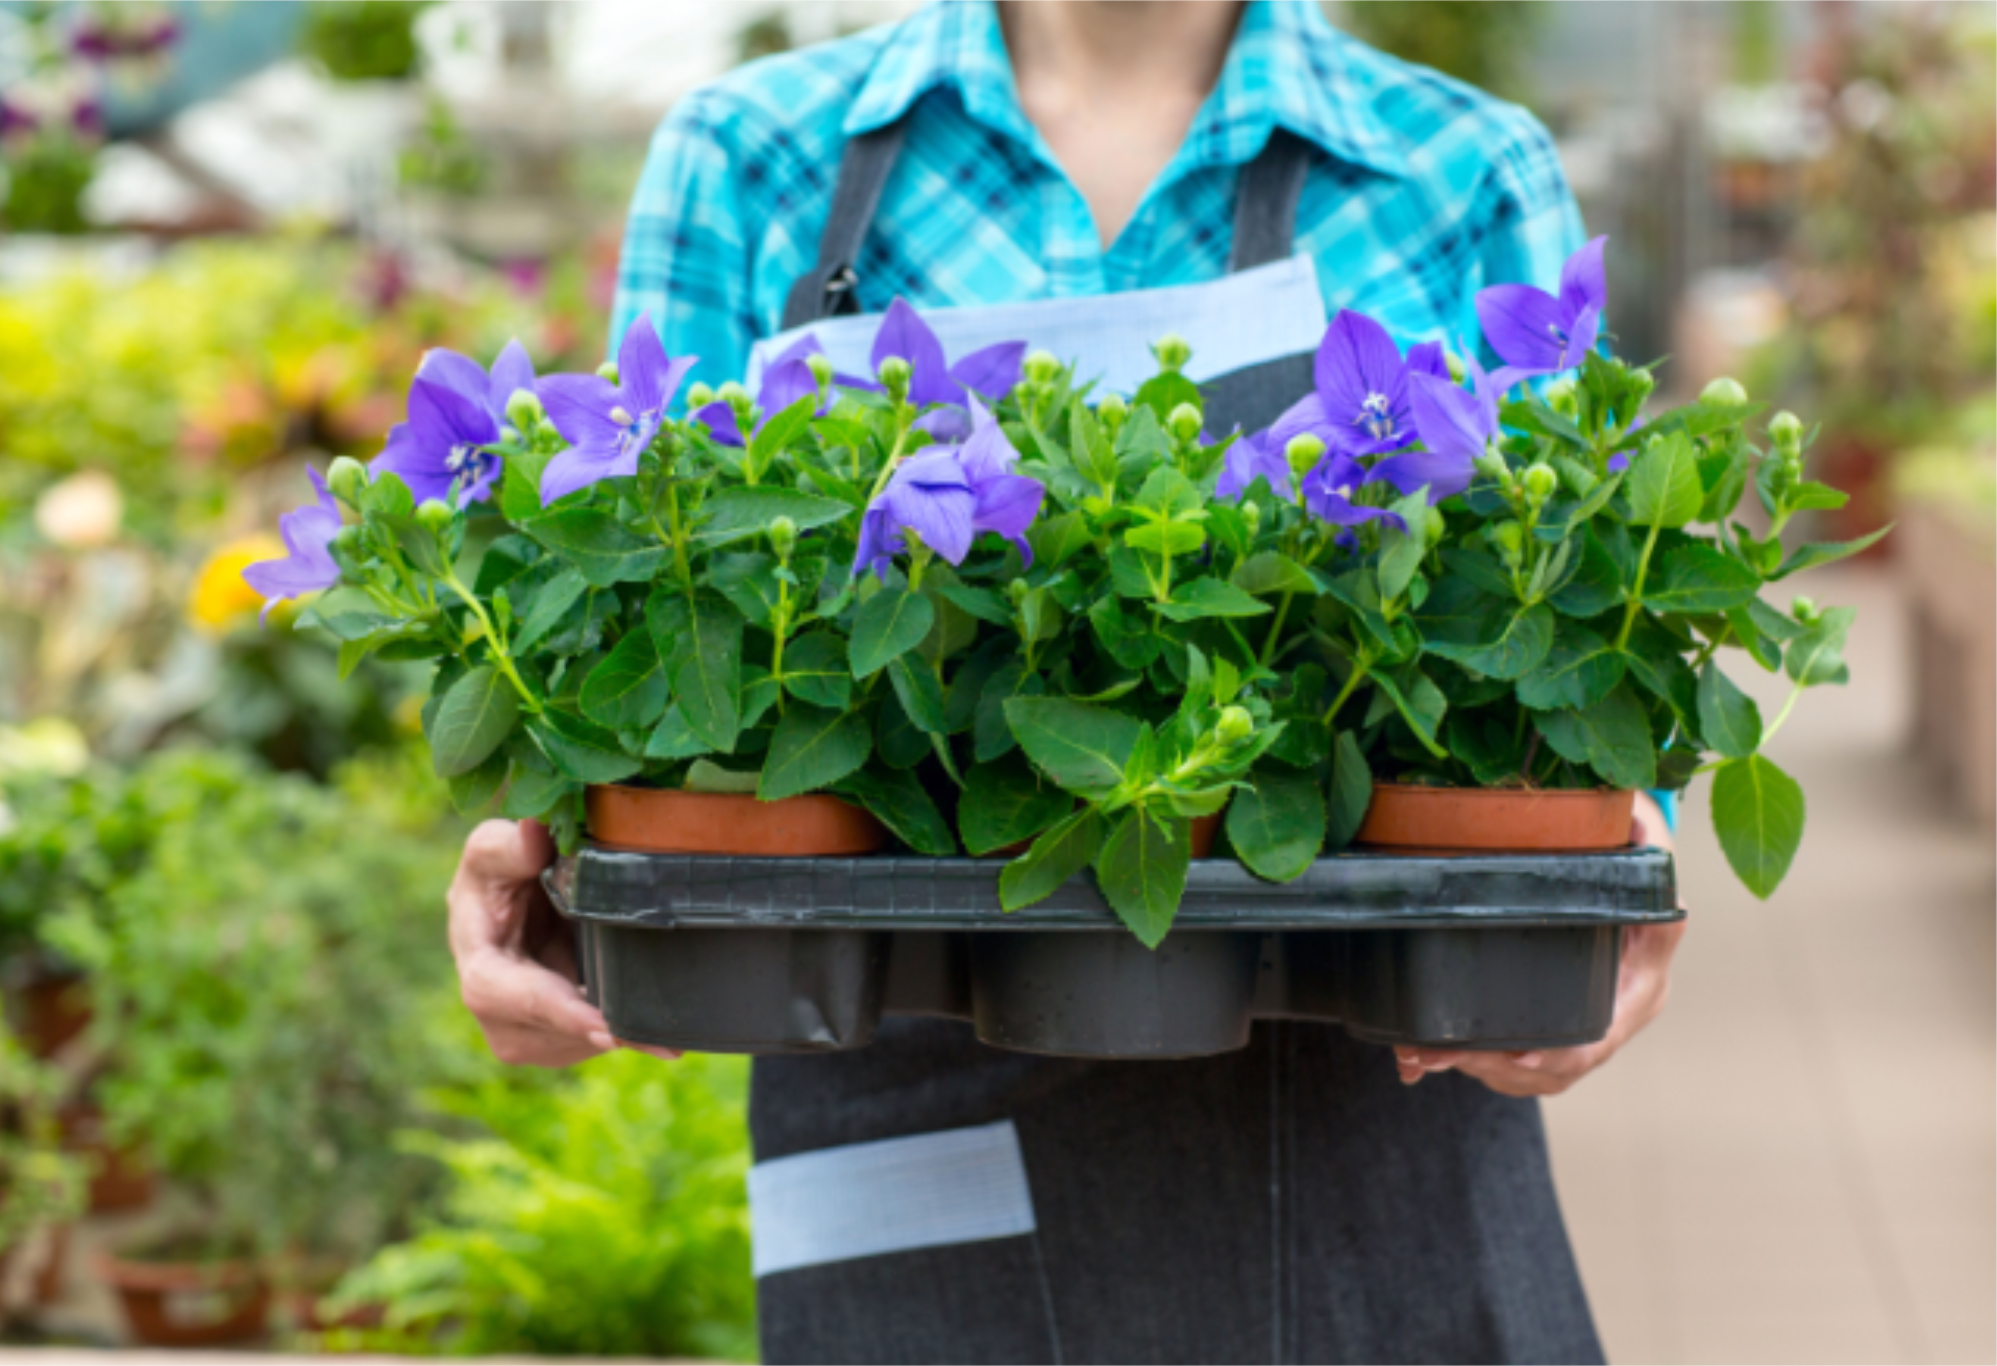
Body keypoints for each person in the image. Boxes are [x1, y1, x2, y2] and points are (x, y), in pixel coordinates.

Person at [446, 1, 1687, 1361]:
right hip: (903, 1109)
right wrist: (548, 861)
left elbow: (1563, 646)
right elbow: (632, 628)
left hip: (1362, 1131)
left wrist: (1623, 873)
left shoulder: (1462, 169)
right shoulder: (753, 157)